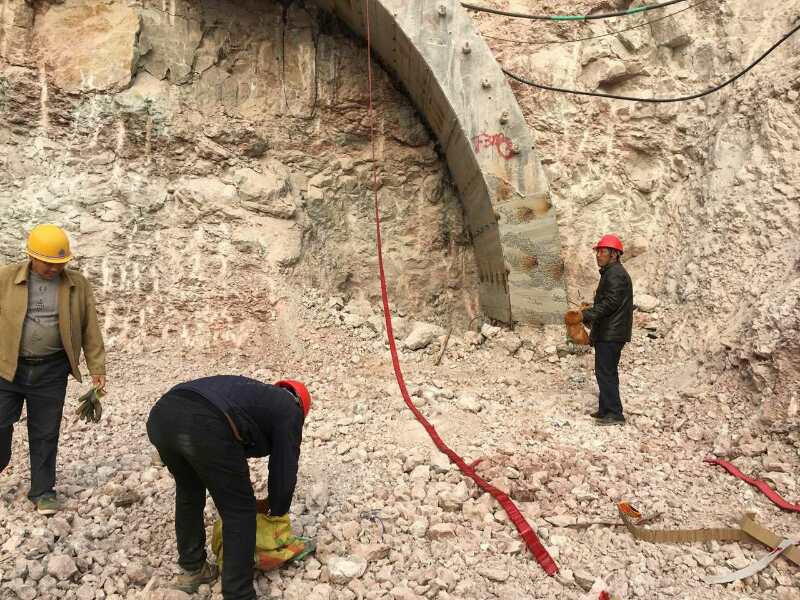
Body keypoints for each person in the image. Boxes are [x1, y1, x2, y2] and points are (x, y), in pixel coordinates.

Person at [146, 376, 311, 599]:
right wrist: (277, 513)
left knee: (189, 492)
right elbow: (284, 468)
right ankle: (238, 594)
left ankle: (193, 569)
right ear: (302, 408)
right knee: (239, 511)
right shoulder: (290, 410)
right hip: (203, 422)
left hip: (162, 417)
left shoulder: (253, 394)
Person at [0, 224, 107, 514]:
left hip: (51, 371)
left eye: (60, 263)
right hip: (7, 369)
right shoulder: (5, 278)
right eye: (47, 262)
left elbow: (90, 328)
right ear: (31, 256)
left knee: (46, 432)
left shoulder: (77, 285)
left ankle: (43, 492)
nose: (54, 268)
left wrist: (97, 368)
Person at [582, 234, 633, 426]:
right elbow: (609, 302)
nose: (598, 255)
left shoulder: (615, 274)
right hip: (609, 331)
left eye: (603, 251)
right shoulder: (611, 273)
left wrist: (585, 315)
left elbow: (611, 303)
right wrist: (590, 311)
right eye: (598, 251)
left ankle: (614, 413)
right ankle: (605, 409)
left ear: (614, 254)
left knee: (606, 372)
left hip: (611, 333)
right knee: (604, 371)